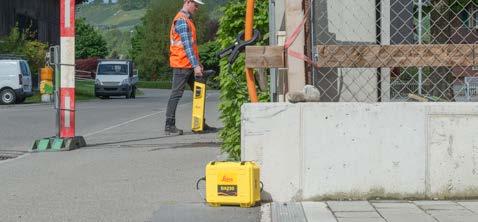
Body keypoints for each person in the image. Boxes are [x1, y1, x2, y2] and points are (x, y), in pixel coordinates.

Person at [165, 0, 215, 135]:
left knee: (200, 93)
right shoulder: (181, 20)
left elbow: (192, 46)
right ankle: (169, 126)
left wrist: (197, 63)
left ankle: (199, 124)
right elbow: (186, 46)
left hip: (189, 64)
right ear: (188, 2)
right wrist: (195, 65)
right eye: (196, 5)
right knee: (176, 95)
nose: (197, 8)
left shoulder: (187, 20)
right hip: (181, 64)